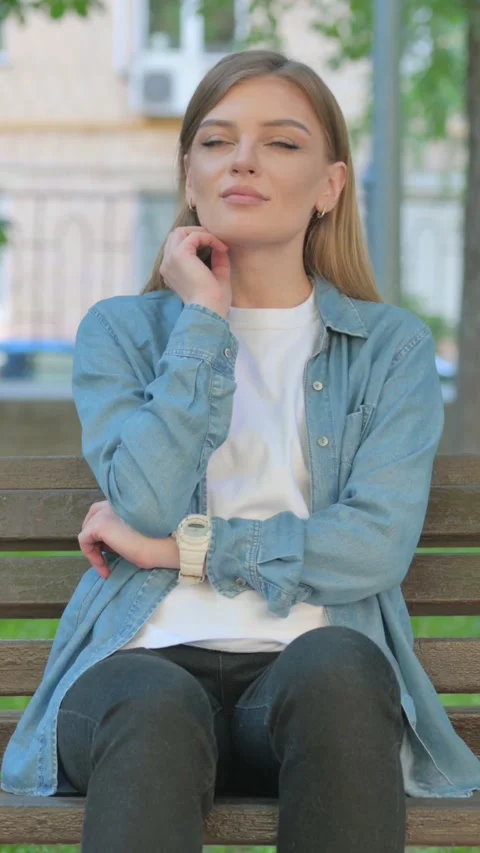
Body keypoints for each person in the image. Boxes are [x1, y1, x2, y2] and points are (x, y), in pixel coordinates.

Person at [2, 48, 480, 853]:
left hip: (304, 683)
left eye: (282, 143)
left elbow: (375, 546)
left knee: (339, 667)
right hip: (135, 674)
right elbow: (145, 493)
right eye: (217, 141)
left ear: (330, 184)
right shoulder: (121, 331)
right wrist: (202, 321)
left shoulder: (388, 349)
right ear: (189, 173)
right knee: (155, 701)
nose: (244, 160)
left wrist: (182, 550)